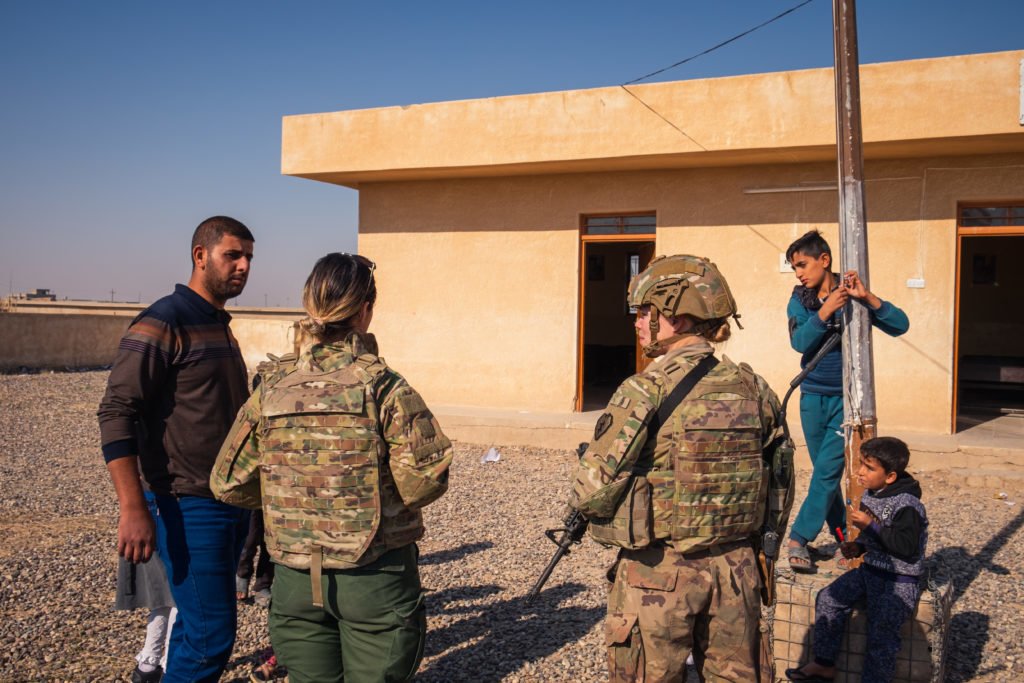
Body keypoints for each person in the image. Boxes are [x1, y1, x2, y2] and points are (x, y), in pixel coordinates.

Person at [211, 252, 454, 683]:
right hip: (375, 579)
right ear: (365, 311)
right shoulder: (384, 386)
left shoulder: (272, 387)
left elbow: (228, 481)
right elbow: (422, 483)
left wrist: (296, 497)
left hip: (294, 580)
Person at [565, 255, 794, 683]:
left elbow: (591, 491)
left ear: (679, 318)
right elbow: (781, 482)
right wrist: (761, 549)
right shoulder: (755, 388)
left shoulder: (645, 388)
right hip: (737, 569)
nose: (636, 323)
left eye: (645, 312)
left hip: (659, 575)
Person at [98, 216, 255, 682]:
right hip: (185, 504)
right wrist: (133, 506)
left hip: (228, 502)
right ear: (200, 256)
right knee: (210, 639)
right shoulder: (163, 321)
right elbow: (116, 412)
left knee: (196, 625)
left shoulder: (217, 325)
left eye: (248, 257)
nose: (244, 266)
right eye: (233, 255)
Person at [784, 230, 909, 571]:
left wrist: (867, 298)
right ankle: (845, 539)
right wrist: (825, 311)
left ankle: (798, 538)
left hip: (846, 402)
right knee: (827, 479)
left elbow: (901, 325)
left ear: (824, 260)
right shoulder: (800, 301)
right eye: (795, 268)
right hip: (811, 399)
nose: (799, 274)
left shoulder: (853, 294)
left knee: (826, 473)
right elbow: (799, 342)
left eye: (803, 265)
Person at [786, 437, 927, 683]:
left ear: (890, 476)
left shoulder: (908, 505)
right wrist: (859, 545)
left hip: (898, 582)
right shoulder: (872, 493)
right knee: (829, 599)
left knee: (881, 637)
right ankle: (824, 663)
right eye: (861, 464)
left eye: (869, 468)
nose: (860, 472)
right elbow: (877, 538)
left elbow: (905, 547)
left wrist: (870, 527)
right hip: (869, 572)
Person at [114, 510, 177, 683]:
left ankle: (147, 667)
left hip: (148, 510)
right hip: (167, 513)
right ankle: (170, 665)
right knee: (178, 597)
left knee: (162, 595)